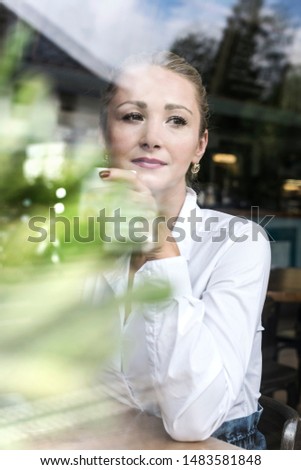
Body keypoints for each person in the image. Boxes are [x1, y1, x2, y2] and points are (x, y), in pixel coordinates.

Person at [97, 51, 271, 449]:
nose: (152, 138)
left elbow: (193, 422)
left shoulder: (238, 244)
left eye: (176, 120)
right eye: (131, 116)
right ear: (106, 136)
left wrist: (159, 245)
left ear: (199, 146)